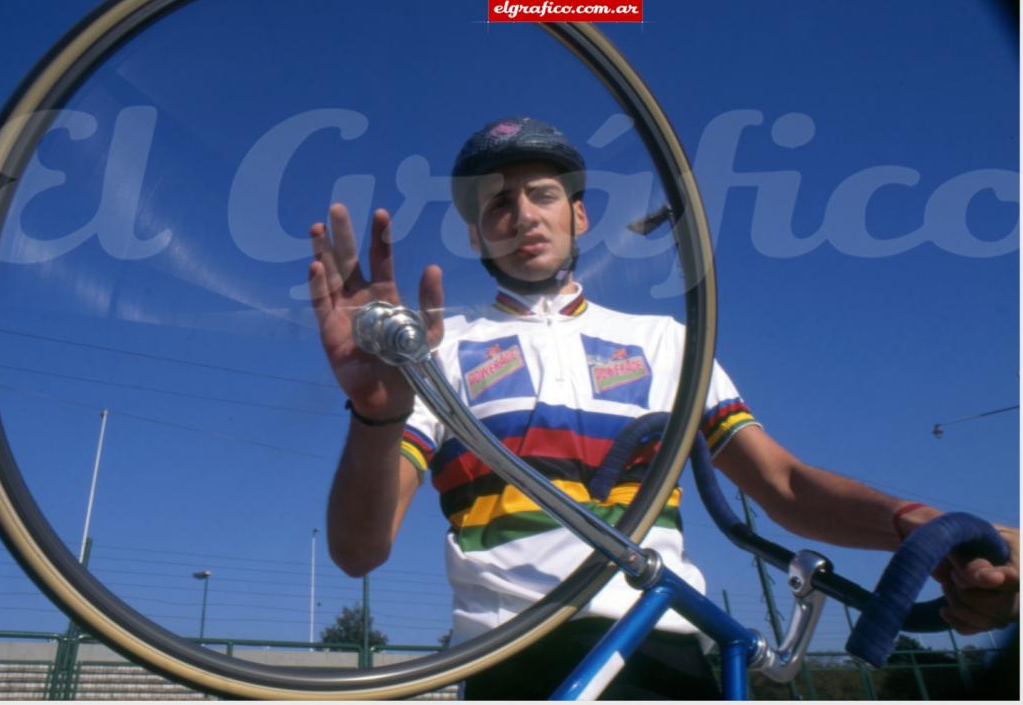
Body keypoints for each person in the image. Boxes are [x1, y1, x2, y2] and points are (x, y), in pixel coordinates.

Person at [308, 116, 1019, 699]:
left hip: (668, 642)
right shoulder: (435, 352)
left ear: (578, 214)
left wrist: (924, 526)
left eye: (543, 193)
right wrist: (377, 409)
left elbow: (785, 486)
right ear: (474, 235)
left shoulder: (666, 342)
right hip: (512, 658)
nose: (521, 212)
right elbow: (357, 549)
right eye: (496, 202)